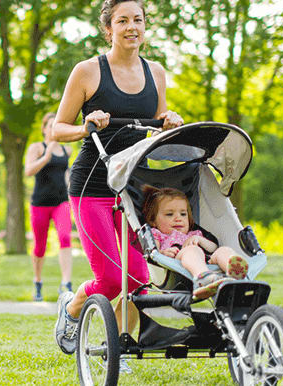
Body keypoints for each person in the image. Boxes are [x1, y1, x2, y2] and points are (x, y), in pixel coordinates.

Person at [51, 0, 184, 361]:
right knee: (110, 279)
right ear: (109, 30)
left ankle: (117, 351)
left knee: (139, 280)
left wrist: (169, 122)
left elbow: (156, 126)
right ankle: (72, 308)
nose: (131, 27)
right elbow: (57, 129)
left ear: (145, 26)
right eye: (122, 21)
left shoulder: (155, 72)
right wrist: (85, 126)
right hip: (91, 186)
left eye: (137, 20)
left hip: (132, 187)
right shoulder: (87, 71)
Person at [141, 185, 248, 300]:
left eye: (183, 214)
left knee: (223, 250)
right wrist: (163, 253)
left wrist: (200, 239)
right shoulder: (157, 234)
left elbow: (213, 248)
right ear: (153, 221)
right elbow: (154, 252)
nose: (178, 218)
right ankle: (202, 277)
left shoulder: (194, 233)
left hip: (207, 260)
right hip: (177, 264)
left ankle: (234, 272)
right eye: (169, 214)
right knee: (192, 250)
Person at [24, 112, 74, 301]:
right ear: (44, 129)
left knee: (65, 238)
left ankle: (66, 283)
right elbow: (28, 171)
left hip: (61, 202)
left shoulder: (66, 150)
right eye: (50, 125)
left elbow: (66, 175)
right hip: (40, 203)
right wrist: (46, 156)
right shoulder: (36, 148)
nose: (54, 129)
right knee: (40, 246)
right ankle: (38, 282)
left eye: (56, 125)